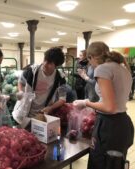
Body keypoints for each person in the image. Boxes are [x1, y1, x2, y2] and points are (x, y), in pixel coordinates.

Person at [73, 41, 134, 169]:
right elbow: (115, 102)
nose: (91, 65)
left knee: (100, 163)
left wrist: (85, 103)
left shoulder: (103, 68)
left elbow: (109, 107)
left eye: (89, 61)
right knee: (115, 164)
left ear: (91, 57)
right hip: (122, 124)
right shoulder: (122, 68)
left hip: (109, 126)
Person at [17, 47, 67, 117]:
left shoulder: (60, 77)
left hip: (43, 113)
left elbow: (62, 99)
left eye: (49, 63)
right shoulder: (32, 71)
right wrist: (20, 91)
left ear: (56, 65)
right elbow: (21, 81)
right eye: (45, 60)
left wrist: (50, 108)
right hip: (25, 110)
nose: (45, 64)